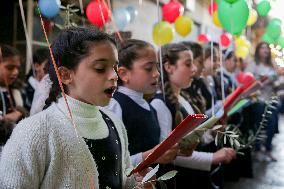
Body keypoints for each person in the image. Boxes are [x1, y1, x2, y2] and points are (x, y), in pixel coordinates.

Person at [0, 27, 151, 188]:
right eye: (100, 68)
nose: (114, 76)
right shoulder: (34, 131)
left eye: (114, 67)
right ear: (65, 75)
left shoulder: (115, 124)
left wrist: (136, 184)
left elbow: (122, 178)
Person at [151, 43, 236, 189]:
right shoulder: (160, 104)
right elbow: (168, 154)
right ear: (169, 67)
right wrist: (212, 158)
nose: (195, 69)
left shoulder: (182, 98)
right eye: (188, 64)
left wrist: (211, 132)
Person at [105, 39, 179, 168]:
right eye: (148, 68)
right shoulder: (115, 105)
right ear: (124, 74)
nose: (157, 73)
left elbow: (157, 146)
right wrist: (149, 156)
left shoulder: (148, 105)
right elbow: (111, 162)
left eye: (156, 67)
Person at [0, 44, 26, 146]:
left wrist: (21, 114)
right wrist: (6, 119)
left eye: (17, 68)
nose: (15, 72)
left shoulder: (16, 92)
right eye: (10, 68)